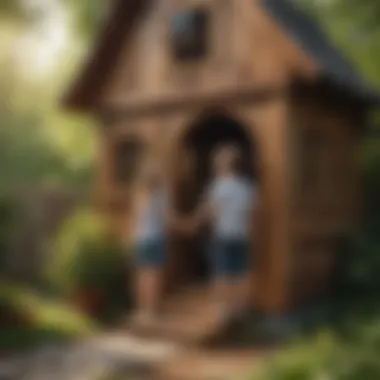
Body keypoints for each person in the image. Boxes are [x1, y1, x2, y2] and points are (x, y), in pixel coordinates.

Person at [190, 144, 258, 319]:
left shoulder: (217, 186)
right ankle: (240, 308)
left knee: (221, 272)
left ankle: (223, 309)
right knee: (241, 272)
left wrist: (193, 224)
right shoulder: (247, 186)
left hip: (223, 234)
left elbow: (209, 212)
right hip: (242, 234)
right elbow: (252, 212)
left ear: (222, 165)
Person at [129, 161, 168, 325]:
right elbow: (166, 219)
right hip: (156, 238)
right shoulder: (161, 196)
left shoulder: (139, 194)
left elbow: (135, 218)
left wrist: (132, 237)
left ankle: (141, 311)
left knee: (141, 274)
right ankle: (151, 312)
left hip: (141, 238)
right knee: (154, 275)